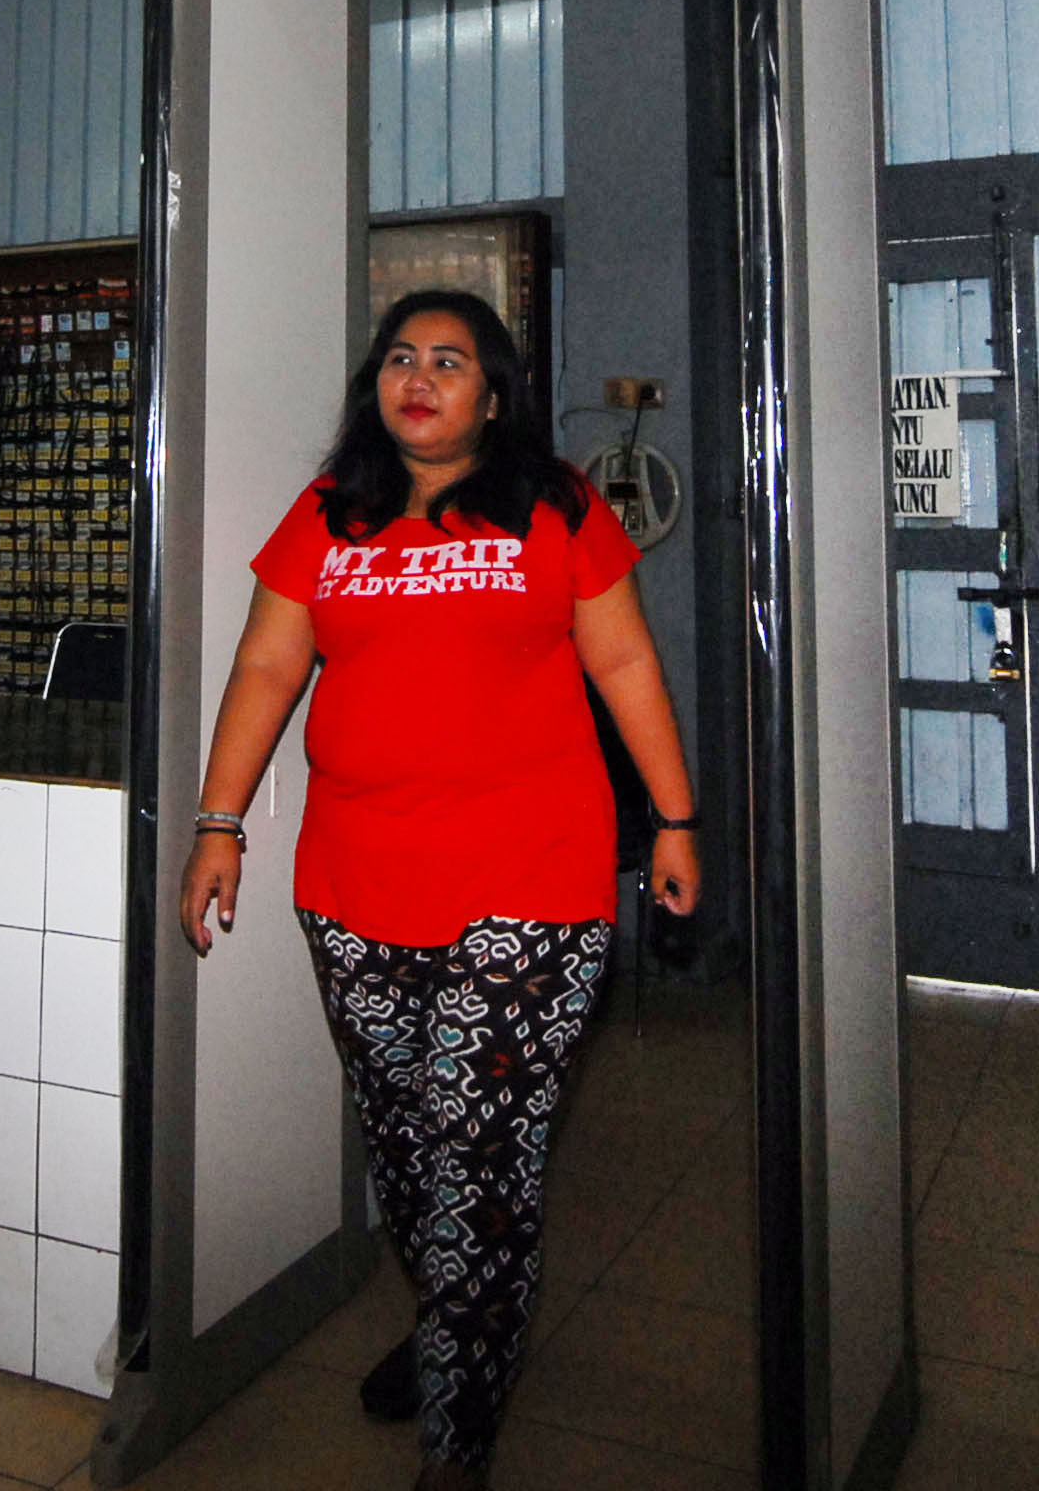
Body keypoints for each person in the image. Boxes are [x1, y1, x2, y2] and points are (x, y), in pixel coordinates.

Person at [177, 290, 701, 1491]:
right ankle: (454, 1320)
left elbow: (622, 659)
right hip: (355, 884)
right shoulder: (328, 515)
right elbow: (267, 666)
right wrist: (218, 823)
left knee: (477, 1144)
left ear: (495, 391)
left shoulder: (557, 505)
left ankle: (457, 1433)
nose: (419, 378)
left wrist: (674, 818)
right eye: (401, 358)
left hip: (532, 882)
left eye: (449, 361)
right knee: (407, 1149)